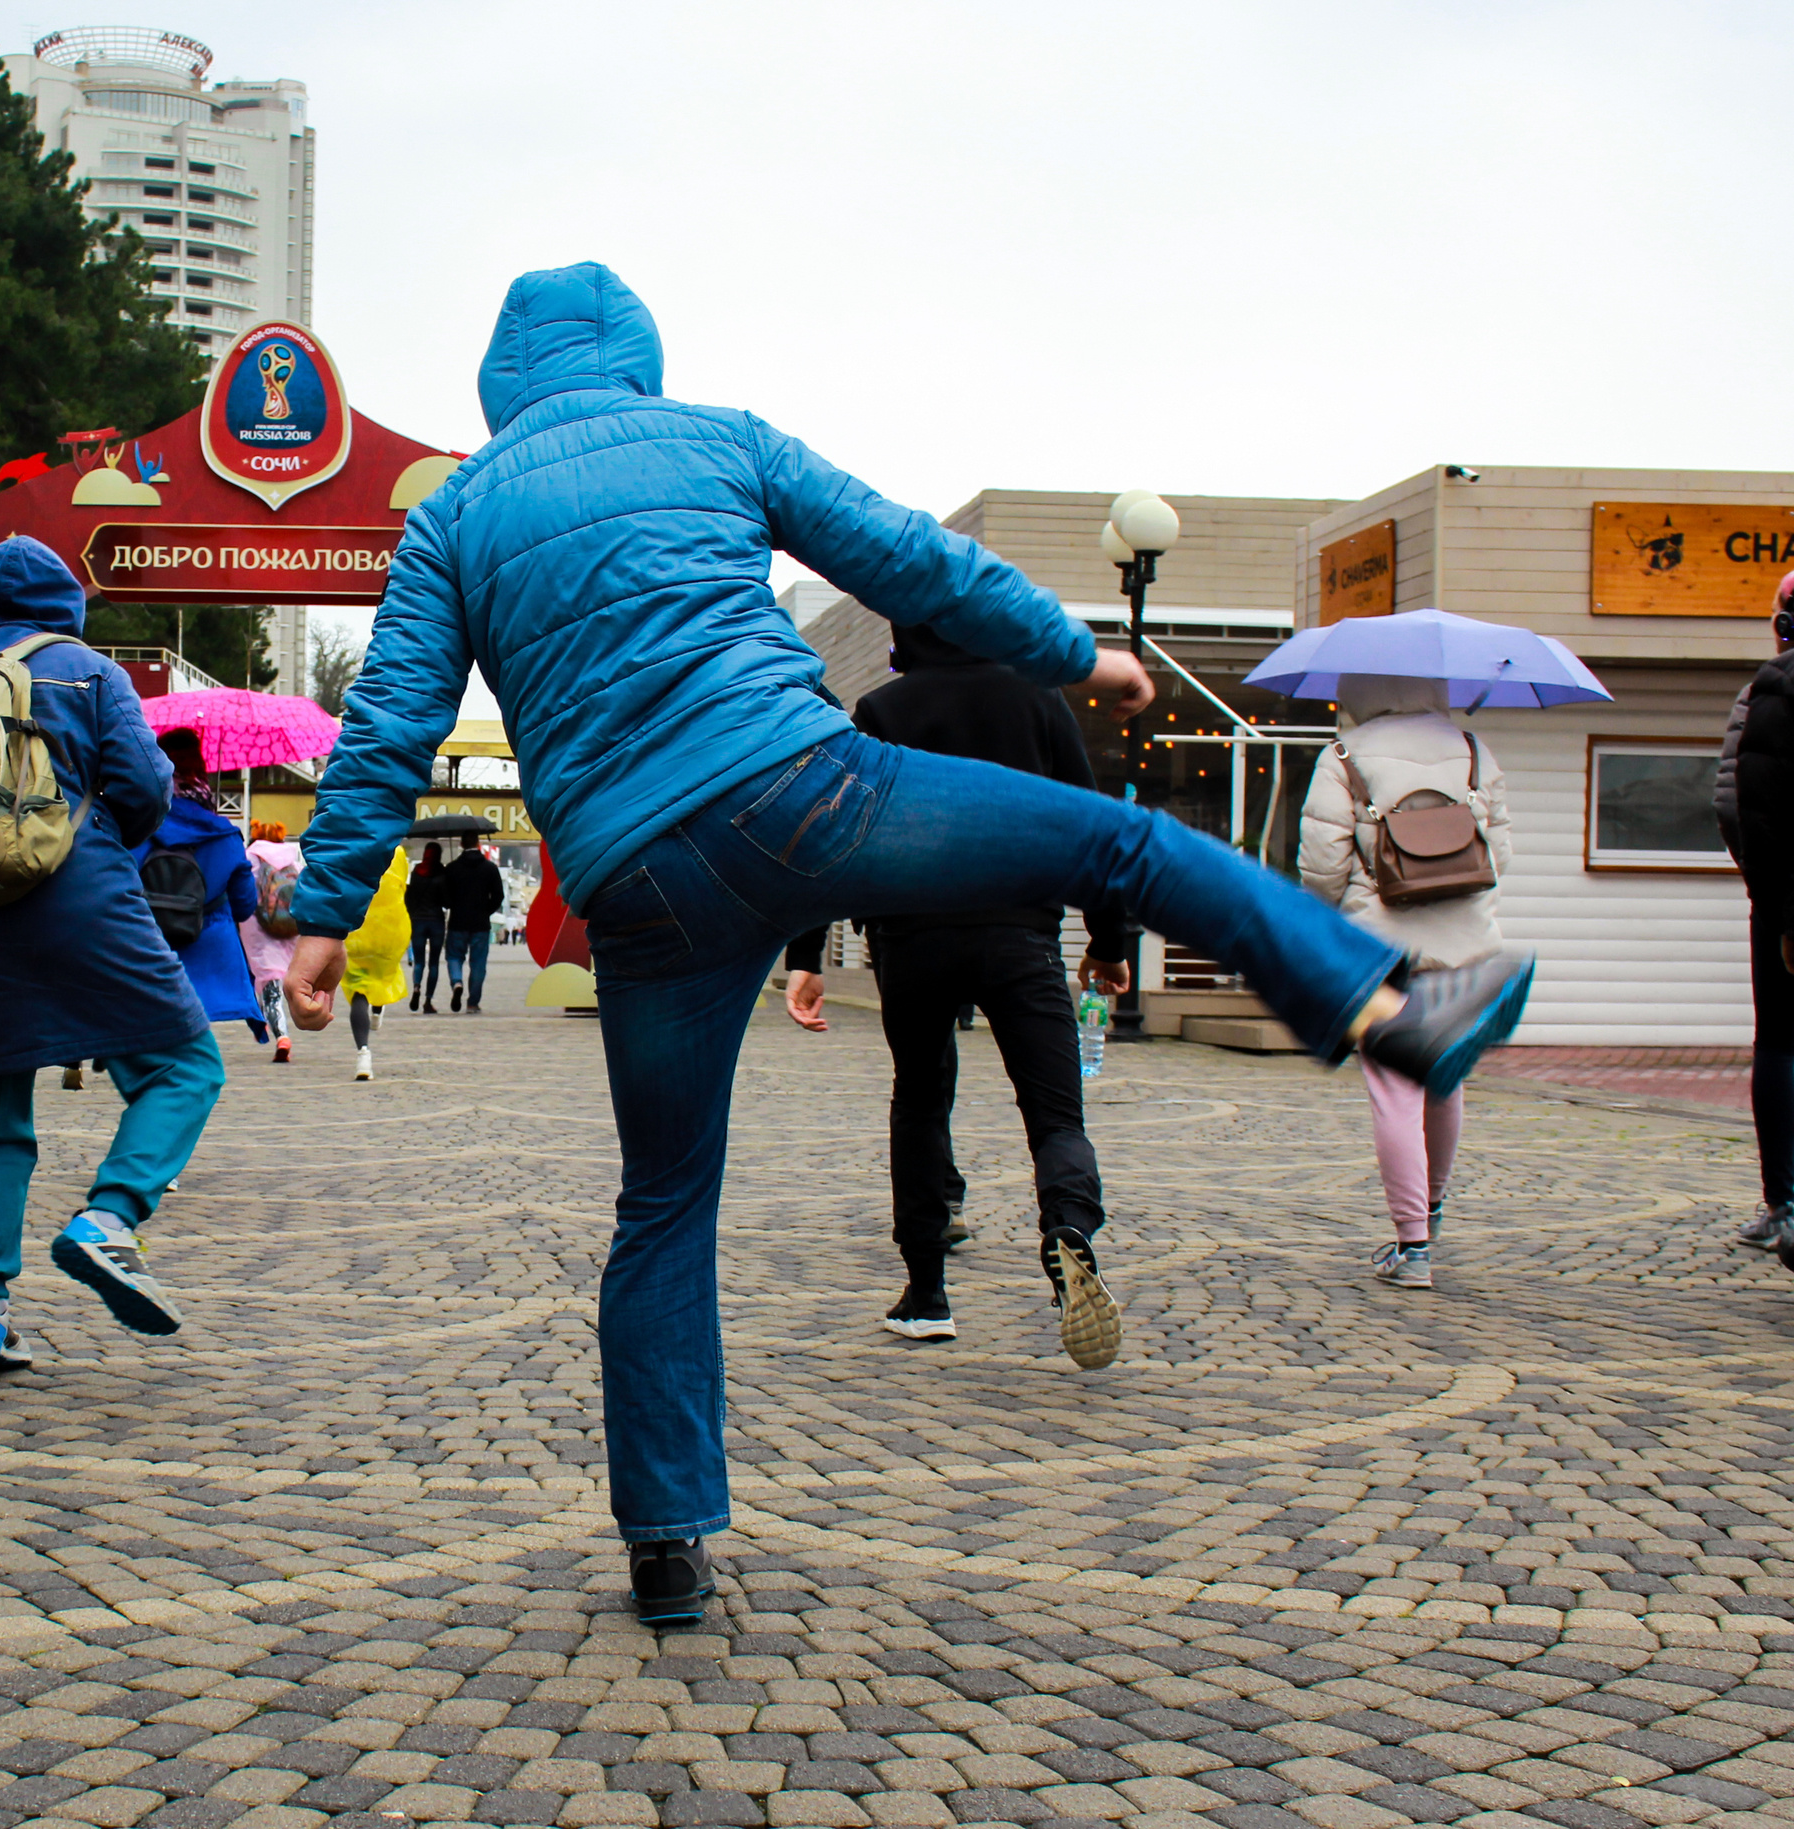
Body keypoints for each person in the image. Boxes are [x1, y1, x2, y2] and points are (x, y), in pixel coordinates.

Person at [282, 261, 1533, 1625]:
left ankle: (665, 1539)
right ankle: (1384, 1008)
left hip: (640, 881)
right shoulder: (721, 439)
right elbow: (911, 561)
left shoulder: (456, 512)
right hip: (806, 795)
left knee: (664, 1204)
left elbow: (390, 720)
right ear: (638, 358)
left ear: (500, 383)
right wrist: (1071, 651)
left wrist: (325, 915)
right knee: (1115, 843)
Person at [0, 536, 225, 1374]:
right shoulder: (91, 671)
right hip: (82, 897)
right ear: (67, 604)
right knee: (184, 1066)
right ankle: (108, 1221)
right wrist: (90, 851)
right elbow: (141, 787)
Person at [782, 621, 1132, 1346]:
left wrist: (807, 953)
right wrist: (1107, 940)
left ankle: (926, 1291)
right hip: (1020, 935)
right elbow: (1095, 822)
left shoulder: (884, 710)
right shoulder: (1037, 700)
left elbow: (838, 828)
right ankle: (1067, 1222)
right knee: (1055, 1113)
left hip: (912, 939)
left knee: (919, 1098)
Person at [1301, 674, 1513, 1291]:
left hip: (1380, 948)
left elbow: (1322, 867)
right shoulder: (1473, 749)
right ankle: (1434, 1211)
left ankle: (1411, 1245)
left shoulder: (1343, 756)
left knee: (1394, 1090)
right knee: (1443, 1080)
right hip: (1464, 943)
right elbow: (1500, 856)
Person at [1718, 570, 1794, 1268]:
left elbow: (1741, 804)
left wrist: (1772, 902)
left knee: (1782, 1043)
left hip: (1785, 905)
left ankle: (1787, 1202)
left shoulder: (1771, 686)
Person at [139, 732, 265, 1041]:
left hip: (146, 953)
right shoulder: (224, 834)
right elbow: (245, 905)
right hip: (211, 958)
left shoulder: (137, 827)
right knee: (198, 1060)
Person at [341, 848, 412, 1080]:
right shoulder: (397, 852)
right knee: (384, 974)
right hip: (390, 929)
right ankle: (379, 1006)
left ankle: (363, 1053)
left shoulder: (348, 848)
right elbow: (401, 886)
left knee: (358, 989)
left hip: (356, 930)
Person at [241, 820, 306, 1063]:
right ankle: (282, 1024)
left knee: (268, 980)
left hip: (257, 924)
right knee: (284, 972)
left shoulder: (249, 858)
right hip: (289, 923)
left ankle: (281, 1035)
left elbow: (241, 889)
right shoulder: (292, 860)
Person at [441, 835, 506, 1012]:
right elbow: (499, 895)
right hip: (480, 923)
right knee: (478, 963)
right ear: (478, 844)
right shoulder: (490, 868)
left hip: (458, 921)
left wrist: (453, 905)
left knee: (454, 956)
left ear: (461, 844)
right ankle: (473, 1003)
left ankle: (457, 982)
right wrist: (487, 910)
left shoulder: (452, 868)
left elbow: (444, 897)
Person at [404, 842, 447, 1010]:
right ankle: (428, 1000)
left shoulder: (416, 873)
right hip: (436, 921)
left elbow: (411, 897)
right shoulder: (442, 874)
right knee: (434, 963)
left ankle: (416, 987)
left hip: (418, 921)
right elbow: (446, 901)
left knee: (419, 962)